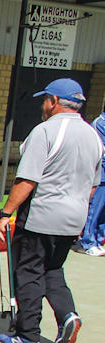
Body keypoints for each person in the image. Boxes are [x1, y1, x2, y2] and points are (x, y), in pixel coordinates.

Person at [0, 79, 102, 343]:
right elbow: (92, 186)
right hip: (73, 218)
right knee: (52, 268)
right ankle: (68, 314)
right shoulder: (93, 136)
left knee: (28, 271)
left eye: (45, 100)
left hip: (41, 215)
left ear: (54, 101)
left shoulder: (44, 131)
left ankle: (27, 335)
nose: (43, 106)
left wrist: (6, 212)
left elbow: (27, 180)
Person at [75, 109, 105, 256]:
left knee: (103, 214)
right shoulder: (100, 124)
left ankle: (98, 240)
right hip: (102, 176)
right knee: (94, 210)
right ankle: (87, 242)